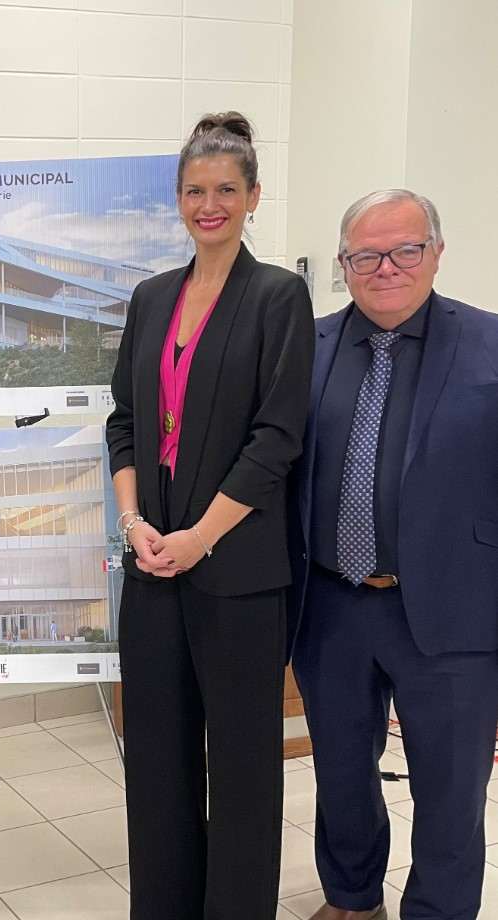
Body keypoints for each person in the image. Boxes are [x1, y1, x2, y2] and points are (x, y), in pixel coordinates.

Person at [105, 112, 315, 919]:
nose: (210, 205)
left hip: (237, 573)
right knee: (156, 767)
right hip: (153, 569)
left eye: (227, 189)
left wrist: (199, 538)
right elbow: (126, 422)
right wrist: (135, 527)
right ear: (178, 199)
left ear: (254, 197)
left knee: (242, 770)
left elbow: (276, 439)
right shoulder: (151, 297)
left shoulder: (278, 297)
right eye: (195, 190)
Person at [289, 189, 498, 920]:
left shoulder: (490, 343)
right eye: (365, 255)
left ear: (436, 253)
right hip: (331, 606)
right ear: (343, 264)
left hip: (454, 611)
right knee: (342, 772)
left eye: (405, 250)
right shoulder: (305, 348)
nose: (386, 267)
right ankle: (351, 899)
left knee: (451, 789)